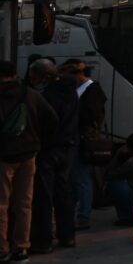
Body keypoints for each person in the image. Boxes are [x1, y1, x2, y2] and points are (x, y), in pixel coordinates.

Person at [1, 59, 59, 263]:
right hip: (29, 155)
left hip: (3, 156)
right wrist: (37, 141)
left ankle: (2, 248)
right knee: (24, 203)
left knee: (2, 204)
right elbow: (52, 120)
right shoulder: (31, 94)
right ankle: (21, 247)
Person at [30, 59, 77, 254]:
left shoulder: (46, 95)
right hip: (67, 148)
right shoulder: (71, 91)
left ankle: (44, 240)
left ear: (43, 76)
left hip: (49, 149)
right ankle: (67, 235)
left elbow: (46, 122)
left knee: (44, 196)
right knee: (63, 193)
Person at [68, 59, 104, 232]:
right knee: (77, 179)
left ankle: (83, 216)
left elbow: (89, 116)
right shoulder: (82, 90)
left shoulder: (92, 91)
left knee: (82, 179)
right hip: (78, 139)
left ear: (79, 74)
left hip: (83, 140)